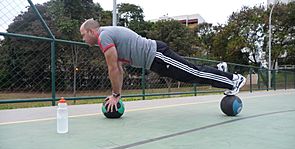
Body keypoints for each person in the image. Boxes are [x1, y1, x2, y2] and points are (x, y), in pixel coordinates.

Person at [79, 19, 246, 112]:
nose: (83, 39)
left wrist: (115, 95)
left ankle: (234, 80)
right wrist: (117, 94)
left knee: (193, 73)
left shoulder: (104, 37)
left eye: (83, 35)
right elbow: (119, 70)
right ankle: (219, 71)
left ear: (91, 31)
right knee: (191, 73)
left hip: (158, 56)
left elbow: (113, 69)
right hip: (155, 60)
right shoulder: (106, 36)